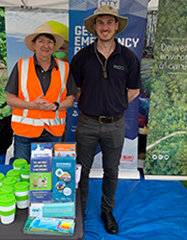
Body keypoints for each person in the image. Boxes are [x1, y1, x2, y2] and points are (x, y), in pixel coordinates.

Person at [70, 5, 142, 234]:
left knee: (112, 171)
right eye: (100, 22)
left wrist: (115, 106)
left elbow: (134, 90)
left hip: (115, 125)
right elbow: (75, 89)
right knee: (81, 169)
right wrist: (92, 104)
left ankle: (107, 210)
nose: (105, 27)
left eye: (109, 22)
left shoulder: (128, 57)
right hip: (87, 123)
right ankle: (78, 210)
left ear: (116, 26)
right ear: (94, 27)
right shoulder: (82, 57)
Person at [5, 24, 77, 163]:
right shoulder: (21, 65)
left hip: (53, 132)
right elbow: (10, 99)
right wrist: (32, 105)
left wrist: (56, 106)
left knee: (50, 174)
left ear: (54, 46)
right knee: (22, 173)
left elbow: (70, 100)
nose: (46, 45)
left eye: (50, 42)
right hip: (24, 132)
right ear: (33, 45)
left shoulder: (64, 68)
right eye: (41, 41)